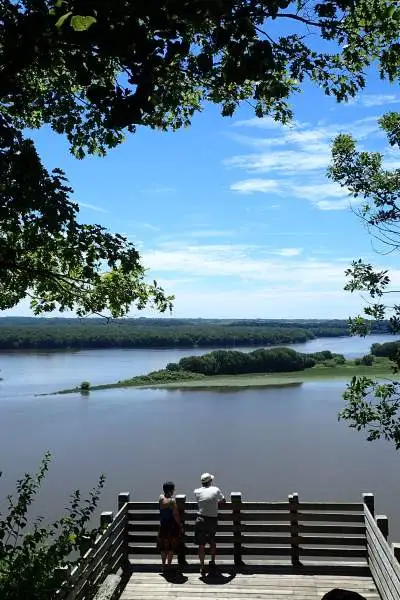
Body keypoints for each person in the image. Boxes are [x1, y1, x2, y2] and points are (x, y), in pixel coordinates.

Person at [194, 472, 226, 575]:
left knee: (201, 545)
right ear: (210, 481)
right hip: (212, 520)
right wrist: (215, 503)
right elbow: (224, 501)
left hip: (201, 519)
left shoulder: (196, 491)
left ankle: (202, 566)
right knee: (212, 541)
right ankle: (212, 561)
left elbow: (201, 501)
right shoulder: (216, 490)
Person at [157, 481, 182, 572]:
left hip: (163, 525)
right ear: (171, 490)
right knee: (171, 547)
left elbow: (162, 500)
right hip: (171, 526)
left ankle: (163, 565)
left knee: (163, 547)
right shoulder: (172, 501)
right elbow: (176, 515)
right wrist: (180, 525)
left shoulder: (160, 498)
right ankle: (169, 565)